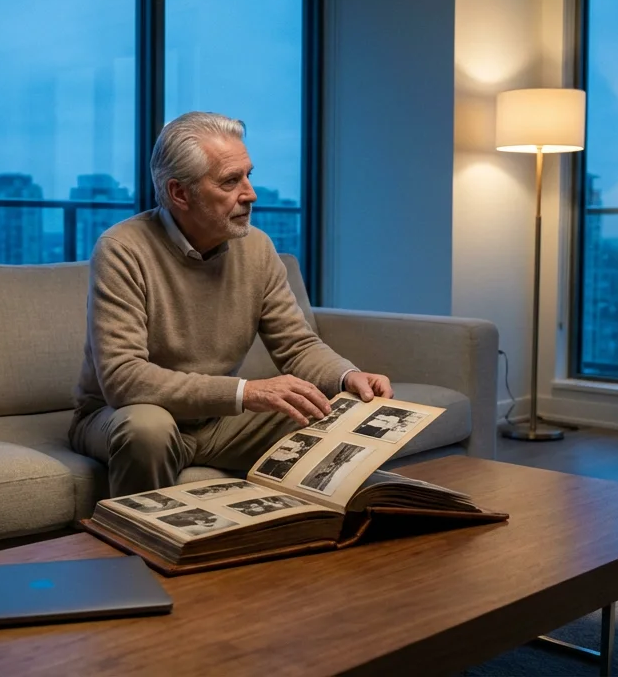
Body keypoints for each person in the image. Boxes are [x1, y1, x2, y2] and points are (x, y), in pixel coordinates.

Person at [70, 111, 394, 496]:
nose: (250, 193)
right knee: (148, 429)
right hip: (128, 415)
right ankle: (141, 550)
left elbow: (297, 345)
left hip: (218, 420)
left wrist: (347, 376)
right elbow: (124, 379)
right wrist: (246, 392)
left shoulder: (256, 247)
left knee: (332, 416)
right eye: (230, 181)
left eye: (248, 175)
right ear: (179, 193)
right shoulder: (122, 249)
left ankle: (322, 543)